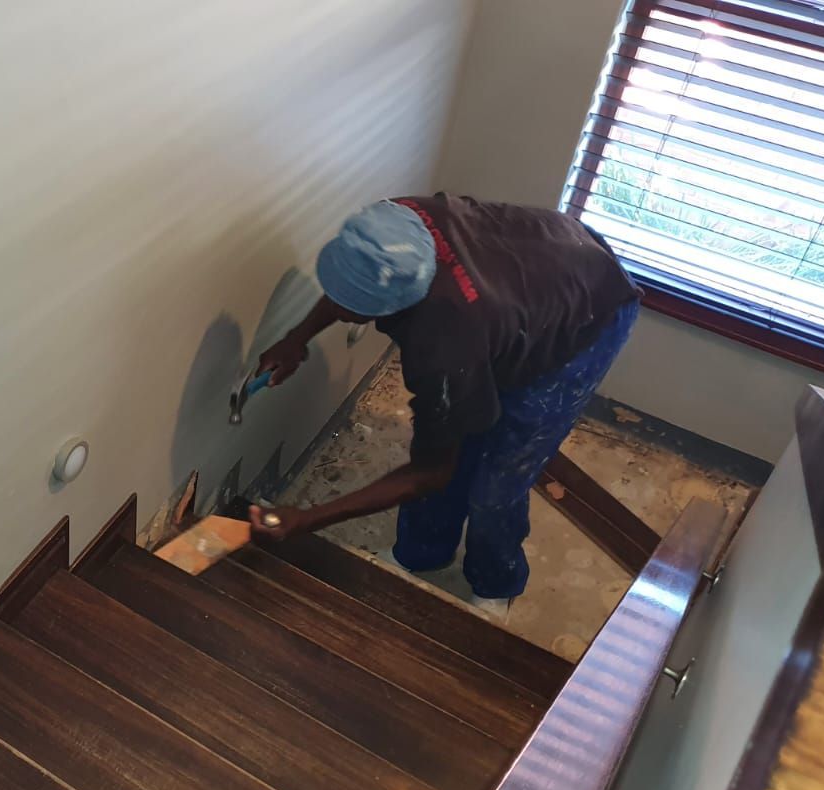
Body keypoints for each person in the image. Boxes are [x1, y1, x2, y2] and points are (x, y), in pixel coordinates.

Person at [249, 194, 642, 604]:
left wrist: (307, 519)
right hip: (541, 261)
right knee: (457, 431)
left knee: (497, 482)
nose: (340, 310)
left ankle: (494, 584)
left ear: (397, 303)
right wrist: (296, 340)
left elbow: (429, 473)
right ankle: (420, 556)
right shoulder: (392, 229)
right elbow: (352, 284)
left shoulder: (444, 342)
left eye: (352, 308)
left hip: (589, 308)